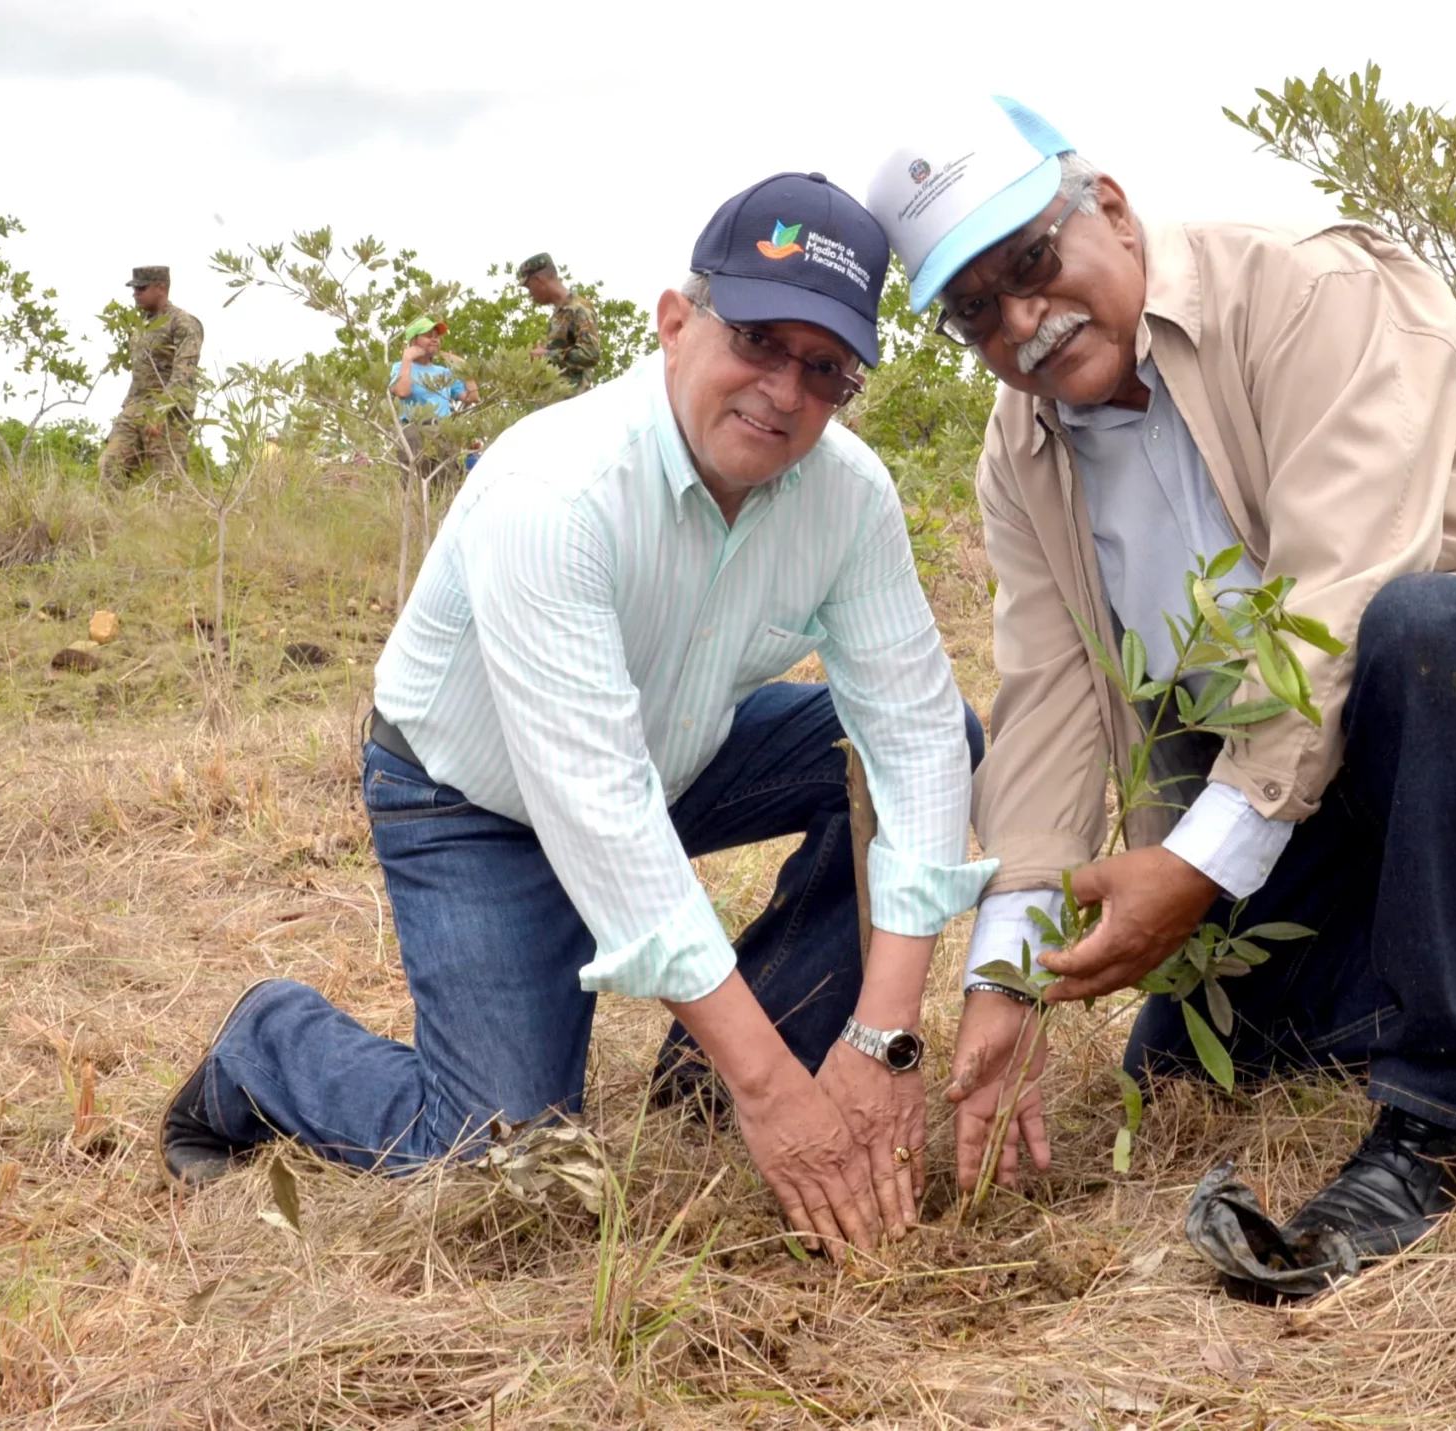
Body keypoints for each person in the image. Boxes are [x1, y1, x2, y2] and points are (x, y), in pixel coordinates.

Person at [865, 99, 1456, 1273]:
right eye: (975, 311)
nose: (1022, 320)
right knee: (1201, 1052)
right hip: (1271, 752)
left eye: (1031, 263)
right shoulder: (1018, 449)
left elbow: (1341, 594)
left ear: (1111, 211)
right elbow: (1050, 694)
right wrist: (1010, 971)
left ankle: (1441, 1121)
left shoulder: (1304, 291)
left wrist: (1191, 865)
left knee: (1420, 623)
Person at [161, 172, 992, 1261]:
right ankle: (266, 1043)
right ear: (676, 323)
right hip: (476, 796)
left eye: (824, 368)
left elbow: (917, 734)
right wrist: (774, 1095)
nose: (783, 392)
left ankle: (730, 1066)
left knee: (928, 743)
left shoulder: (848, 492)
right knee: (504, 1158)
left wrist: (883, 1040)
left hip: (677, 752)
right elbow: (600, 813)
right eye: (755, 341)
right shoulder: (554, 491)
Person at [98, 265, 203, 485]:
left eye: (141, 289)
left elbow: (185, 371)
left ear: (161, 288)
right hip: (135, 408)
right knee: (110, 466)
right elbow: (141, 372)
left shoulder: (183, 323)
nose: (135, 294)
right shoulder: (141, 326)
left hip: (168, 413)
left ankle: (174, 519)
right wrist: (129, 406)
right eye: (134, 289)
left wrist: (161, 411)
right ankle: (117, 519)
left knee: (166, 481)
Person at [388, 317, 475, 486]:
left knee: (446, 483)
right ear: (414, 340)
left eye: (437, 336)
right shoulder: (400, 367)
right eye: (428, 335)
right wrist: (407, 359)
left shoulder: (444, 372)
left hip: (443, 430)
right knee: (413, 484)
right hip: (413, 430)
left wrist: (464, 367)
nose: (435, 339)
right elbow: (402, 391)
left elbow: (472, 397)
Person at [516, 252, 604, 396]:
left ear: (539, 280)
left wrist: (546, 355)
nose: (530, 294)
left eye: (529, 287)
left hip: (573, 406)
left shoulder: (578, 308)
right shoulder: (560, 313)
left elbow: (591, 354)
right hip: (556, 403)